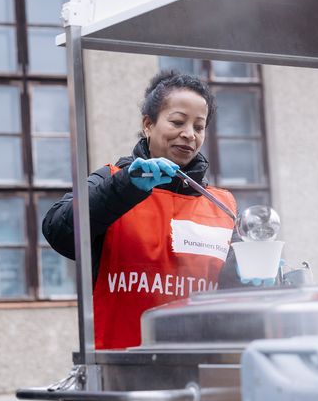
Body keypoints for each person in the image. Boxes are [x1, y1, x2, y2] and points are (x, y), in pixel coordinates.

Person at [43, 70, 241, 350]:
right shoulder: (112, 180)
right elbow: (58, 230)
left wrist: (257, 276)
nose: (188, 134)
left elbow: (232, 295)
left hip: (198, 365)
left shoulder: (222, 205)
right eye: (177, 121)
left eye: (199, 126)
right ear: (148, 124)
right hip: (119, 366)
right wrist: (127, 186)